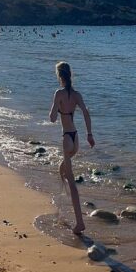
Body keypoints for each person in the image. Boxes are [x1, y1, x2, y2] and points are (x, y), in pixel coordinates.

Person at [48, 62, 94, 234]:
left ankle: (79, 222)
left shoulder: (58, 94)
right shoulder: (76, 95)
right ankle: (62, 202)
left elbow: (52, 118)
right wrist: (90, 135)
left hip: (66, 138)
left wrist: (56, 108)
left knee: (71, 181)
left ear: (60, 76)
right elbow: (86, 112)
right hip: (76, 140)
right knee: (62, 171)